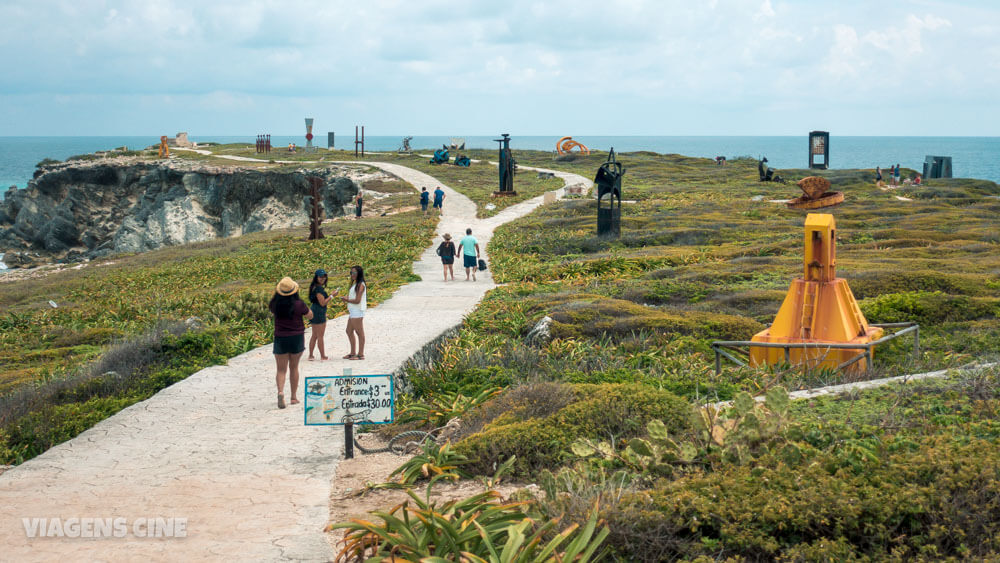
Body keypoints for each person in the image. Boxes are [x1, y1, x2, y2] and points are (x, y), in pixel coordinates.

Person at [269, 277, 312, 409]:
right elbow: (310, 315)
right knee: (294, 367)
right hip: (296, 336)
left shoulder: (274, 304)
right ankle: (293, 397)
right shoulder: (299, 304)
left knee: (281, 369)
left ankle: (281, 392)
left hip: (280, 337)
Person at [307, 269, 336, 361]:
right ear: (316, 277)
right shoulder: (319, 289)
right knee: (320, 336)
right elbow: (323, 303)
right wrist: (332, 296)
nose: (322, 278)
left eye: (324, 276)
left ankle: (311, 355)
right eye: (320, 277)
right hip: (318, 312)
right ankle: (322, 355)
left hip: (314, 310)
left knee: (314, 335)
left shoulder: (314, 287)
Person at [340, 266, 367, 360]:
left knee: (359, 333)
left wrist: (347, 300)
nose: (352, 274)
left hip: (357, 311)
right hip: (353, 311)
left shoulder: (360, 285)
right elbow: (354, 297)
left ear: (359, 273)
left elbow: (357, 300)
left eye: (354, 273)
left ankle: (360, 354)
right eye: (351, 272)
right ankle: (352, 352)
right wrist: (347, 298)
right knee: (349, 331)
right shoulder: (356, 284)